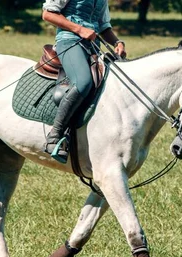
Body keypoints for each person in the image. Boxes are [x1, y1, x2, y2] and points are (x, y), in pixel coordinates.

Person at [42, 0, 127, 163]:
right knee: (83, 82)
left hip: (91, 45)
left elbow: (103, 26)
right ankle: (54, 136)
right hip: (68, 41)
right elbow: (47, 14)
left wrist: (117, 42)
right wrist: (79, 29)